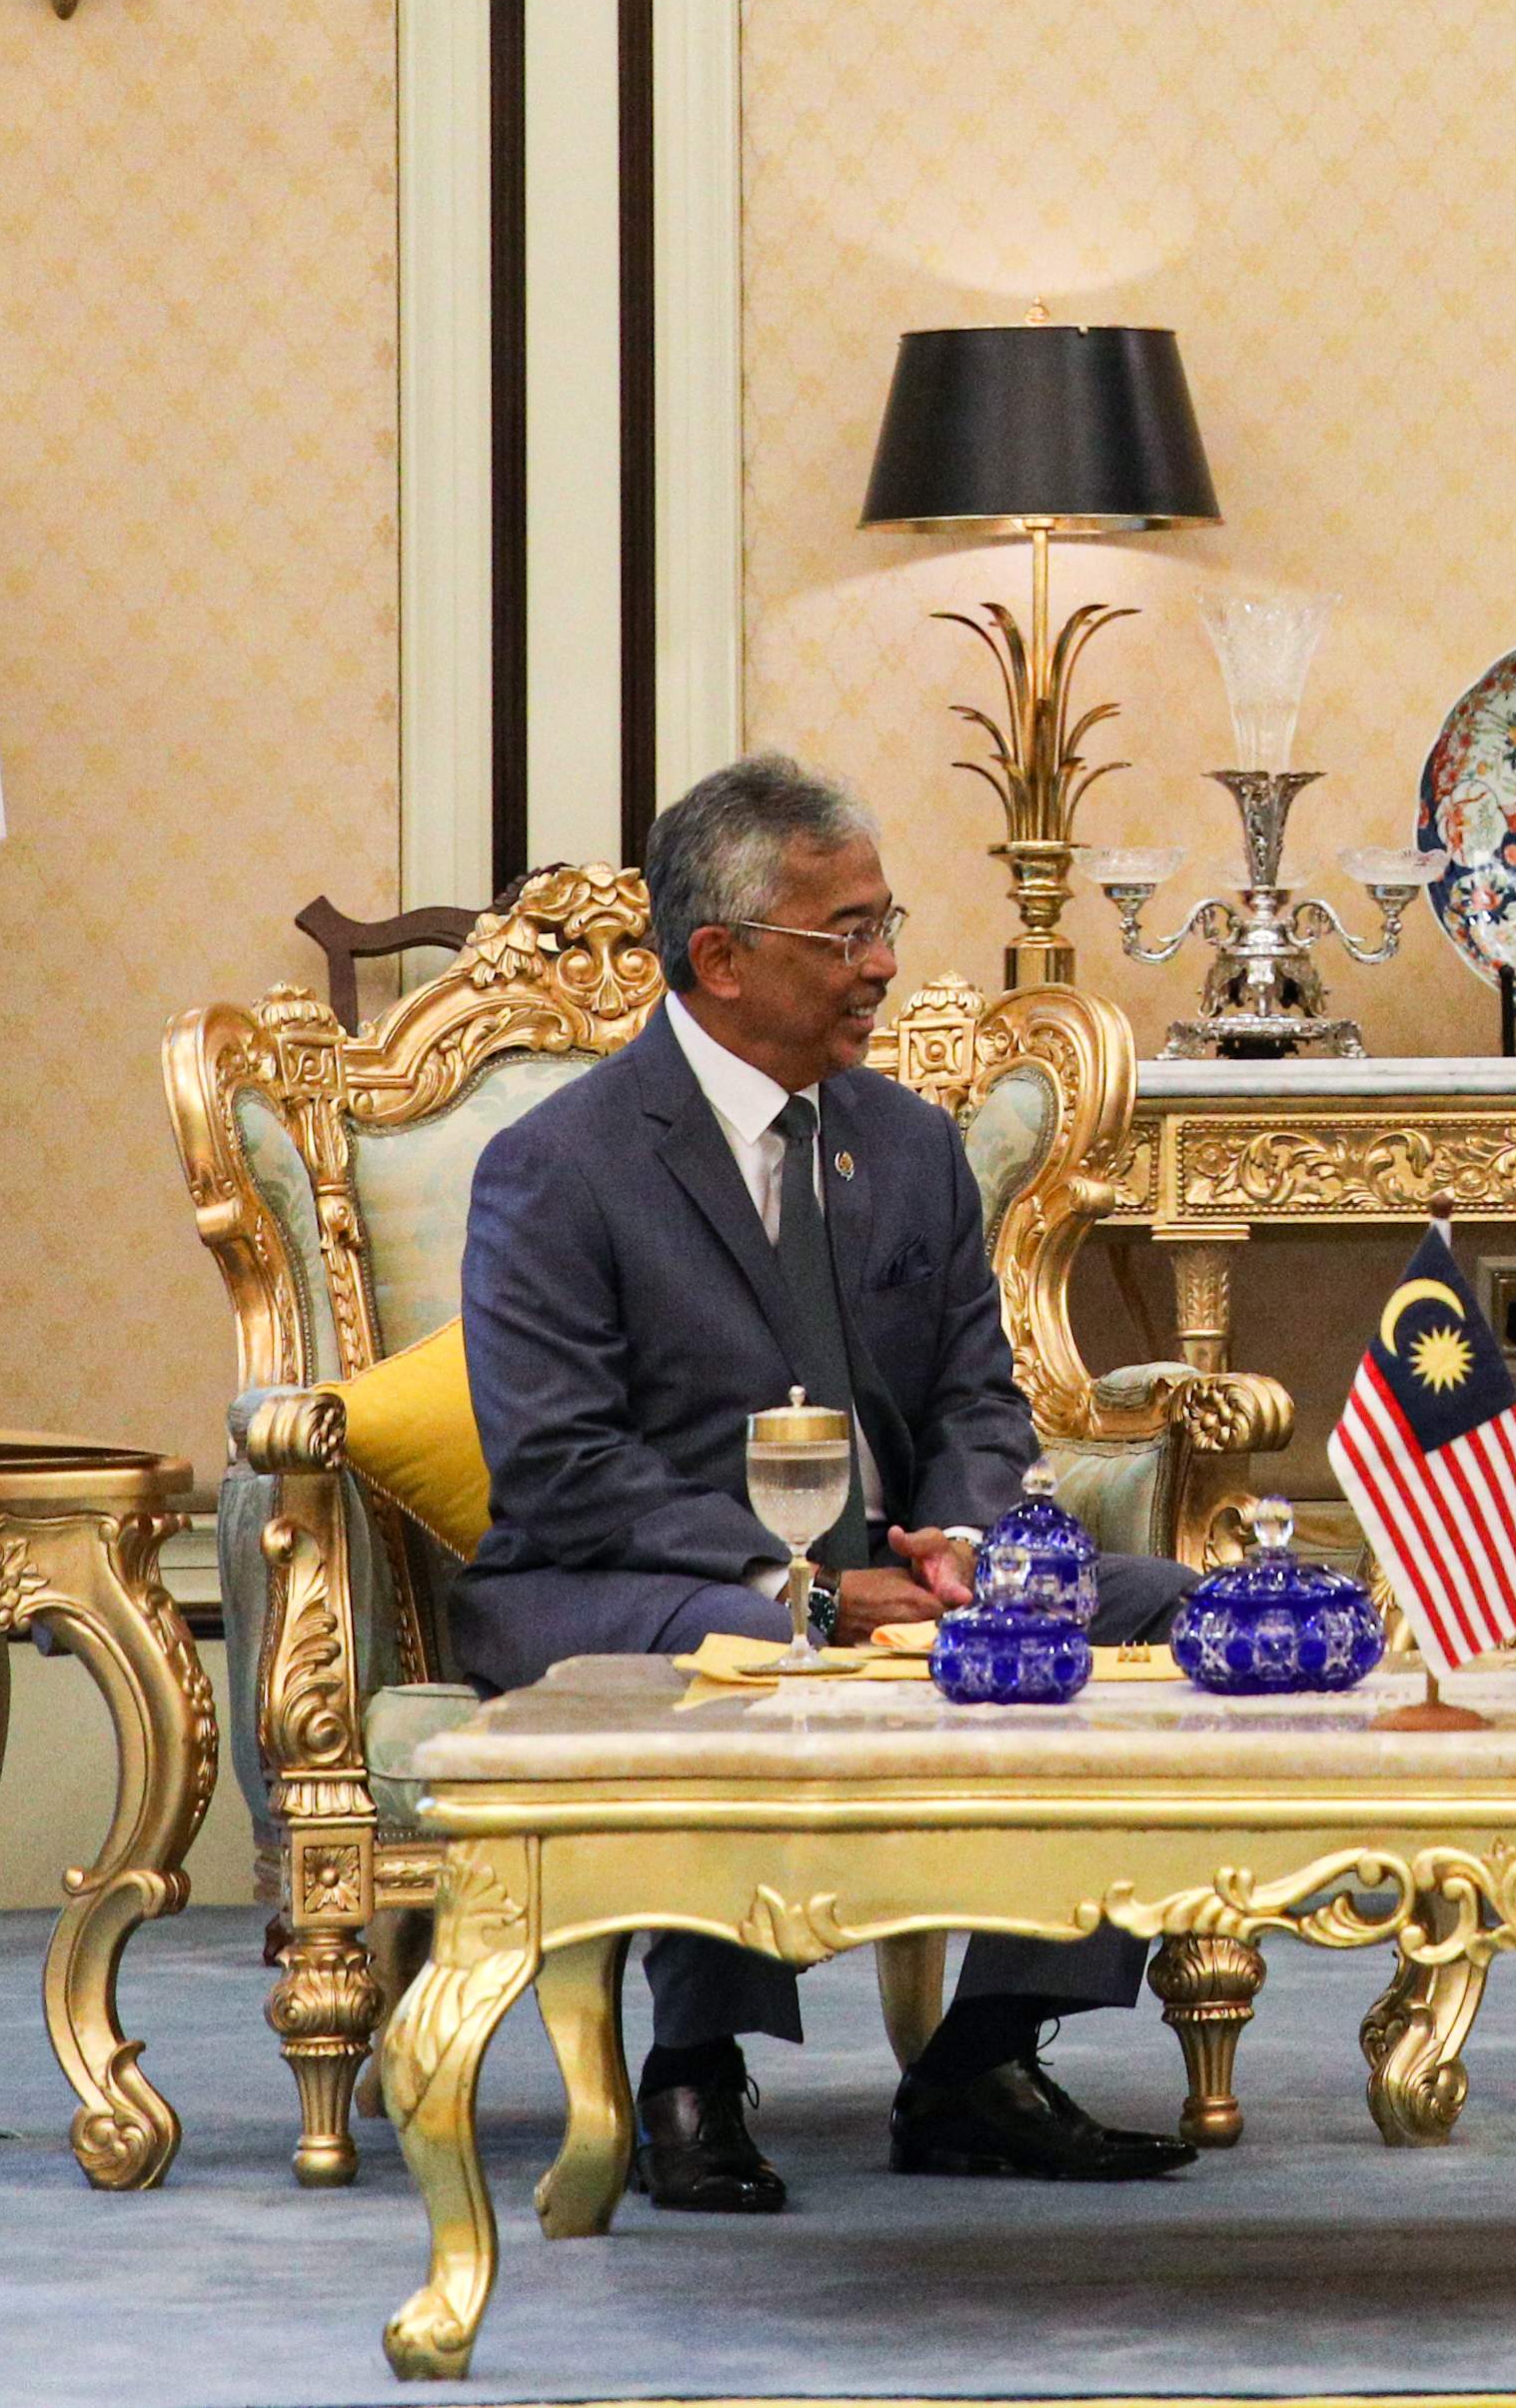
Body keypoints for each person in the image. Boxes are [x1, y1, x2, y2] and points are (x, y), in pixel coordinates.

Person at [456, 752, 1202, 2211]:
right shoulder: (560, 1165)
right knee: (744, 1643)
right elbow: (559, 1464)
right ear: (720, 959)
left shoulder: (908, 1145)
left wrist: (969, 1543)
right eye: (843, 935)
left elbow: (975, 1398)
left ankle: (983, 2055)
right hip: (625, 1582)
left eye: (884, 924)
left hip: (890, 1567)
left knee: (1155, 1616)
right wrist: (797, 1581)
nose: (882, 966)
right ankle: (691, 2068)